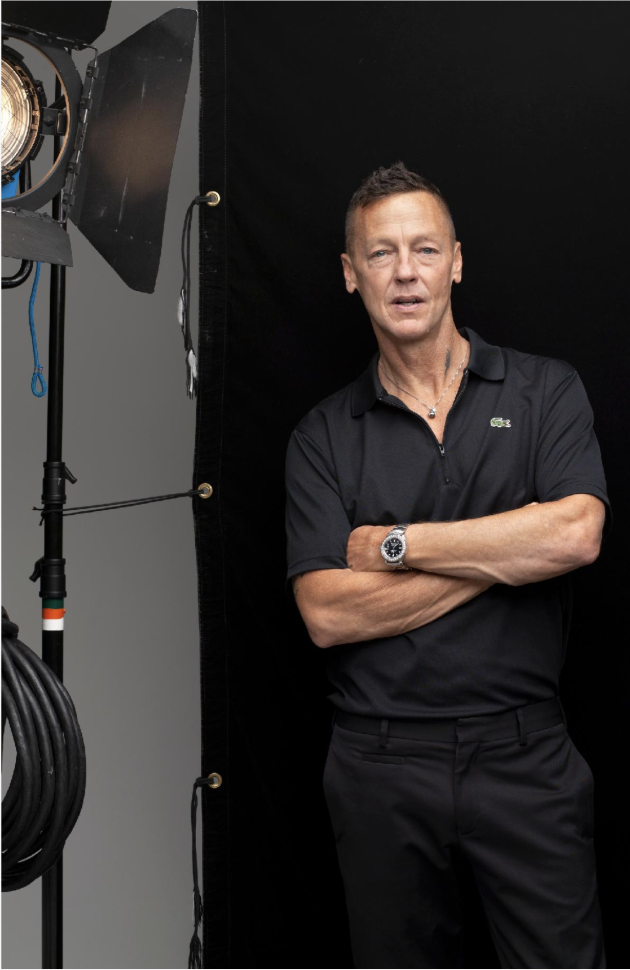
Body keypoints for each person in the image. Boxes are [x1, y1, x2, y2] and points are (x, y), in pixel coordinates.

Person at [284, 160, 612, 968]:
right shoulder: (322, 437)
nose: (405, 273)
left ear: (456, 261)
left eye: (424, 250)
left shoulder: (545, 393)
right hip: (379, 765)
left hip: (525, 755)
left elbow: (573, 537)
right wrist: (507, 550)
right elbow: (327, 613)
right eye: (382, 253)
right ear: (350, 274)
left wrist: (396, 546)